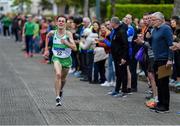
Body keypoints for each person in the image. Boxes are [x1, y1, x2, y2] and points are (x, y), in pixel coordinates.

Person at [44, 15, 77, 106]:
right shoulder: (52, 32)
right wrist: (46, 49)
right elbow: (47, 36)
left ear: (65, 23)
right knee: (58, 74)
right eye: (59, 21)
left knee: (63, 79)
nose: (61, 22)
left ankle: (61, 89)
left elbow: (74, 48)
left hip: (66, 59)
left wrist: (66, 43)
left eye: (63, 21)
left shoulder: (68, 34)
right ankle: (57, 97)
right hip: (56, 57)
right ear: (56, 23)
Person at [149, 12, 173, 113]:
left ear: (160, 20)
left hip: (164, 60)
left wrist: (170, 59)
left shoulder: (166, 29)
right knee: (159, 83)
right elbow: (152, 43)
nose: (151, 21)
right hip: (156, 59)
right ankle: (159, 103)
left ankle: (165, 106)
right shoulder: (154, 29)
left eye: (153, 20)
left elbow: (170, 45)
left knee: (164, 83)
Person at [108, 17, 129, 97]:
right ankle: (117, 90)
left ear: (114, 23)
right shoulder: (116, 31)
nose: (109, 24)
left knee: (123, 74)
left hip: (121, 57)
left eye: (110, 22)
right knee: (118, 74)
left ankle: (124, 91)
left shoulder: (122, 31)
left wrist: (124, 57)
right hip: (116, 56)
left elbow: (125, 45)